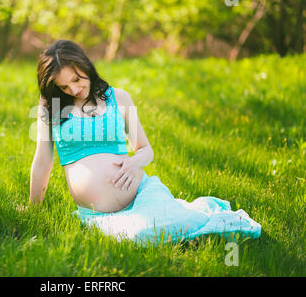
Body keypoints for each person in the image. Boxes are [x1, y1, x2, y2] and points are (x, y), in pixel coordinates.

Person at [30, 39, 261, 245]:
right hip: (99, 214)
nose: (74, 89)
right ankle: (176, 228)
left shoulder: (117, 98)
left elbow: (145, 150)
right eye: (64, 86)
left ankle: (193, 218)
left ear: (86, 66)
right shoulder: (53, 107)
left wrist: (132, 163)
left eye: (76, 79)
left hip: (142, 193)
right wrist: (34, 208)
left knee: (179, 221)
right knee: (139, 234)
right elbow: (43, 161)